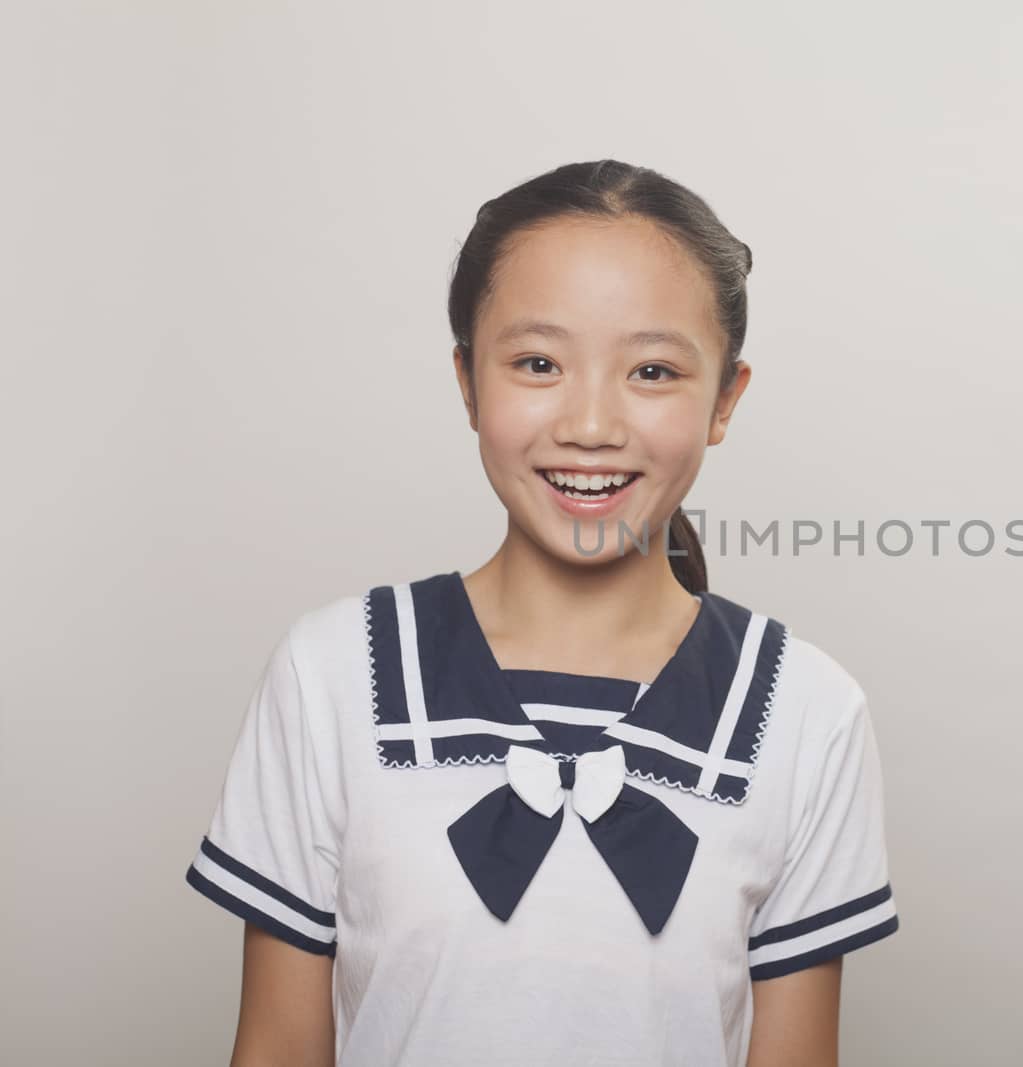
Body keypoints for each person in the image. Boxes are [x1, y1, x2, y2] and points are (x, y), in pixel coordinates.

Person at [183, 159, 901, 1066]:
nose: (591, 423)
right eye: (537, 363)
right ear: (466, 380)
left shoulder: (809, 711)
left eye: (651, 369)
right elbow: (280, 1046)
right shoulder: (329, 675)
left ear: (725, 399)